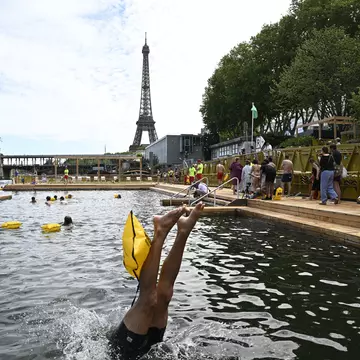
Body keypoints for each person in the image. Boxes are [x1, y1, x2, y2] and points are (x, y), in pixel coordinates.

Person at [108, 203, 205, 360]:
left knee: (148, 300)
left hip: (120, 355)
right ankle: (183, 231)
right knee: (164, 296)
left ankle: (160, 231)